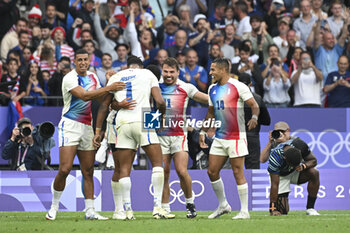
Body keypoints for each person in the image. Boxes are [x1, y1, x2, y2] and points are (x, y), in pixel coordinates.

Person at [45, 49, 126, 221]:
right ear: (75, 61)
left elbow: (100, 99)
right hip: (70, 125)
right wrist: (109, 86)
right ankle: (54, 207)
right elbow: (84, 96)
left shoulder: (93, 77)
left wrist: (113, 95)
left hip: (87, 127)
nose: (82, 62)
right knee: (65, 168)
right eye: (79, 59)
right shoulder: (69, 78)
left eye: (85, 60)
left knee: (88, 170)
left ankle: (90, 210)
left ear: (89, 61)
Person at [106, 56, 174, 220]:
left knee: (124, 168)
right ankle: (158, 208)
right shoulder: (148, 74)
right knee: (158, 163)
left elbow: (108, 104)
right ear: (141, 66)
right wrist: (161, 118)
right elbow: (160, 101)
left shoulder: (116, 76)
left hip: (122, 121)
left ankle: (128, 211)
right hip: (143, 118)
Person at [199, 58, 259, 219]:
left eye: (213, 70)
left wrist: (254, 117)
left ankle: (244, 211)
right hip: (219, 137)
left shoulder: (238, 86)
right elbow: (211, 113)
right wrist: (202, 132)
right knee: (212, 171)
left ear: (222, 70)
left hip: (236, 137)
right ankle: (223, 205)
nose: (210, 73)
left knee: (237, 171)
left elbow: (254, 105)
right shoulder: (211, 88)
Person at [159, 58, 208, 218]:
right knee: (164, 173)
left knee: (181, 170)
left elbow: (205, 98)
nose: (168, 75)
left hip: (179, 136)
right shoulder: (155, 86)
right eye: (165, 71)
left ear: (178, 72)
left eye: (171, 72)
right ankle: (165, 208)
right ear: (162, 70)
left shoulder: (185, 87)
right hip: (159, 137)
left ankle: (190, 203)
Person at [260, 121, 320, 216]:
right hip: (281, 175)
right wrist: (272, 208)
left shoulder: (298, 143)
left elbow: (313, 160)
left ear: (288, 131)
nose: (280, 134)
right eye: (277, 131)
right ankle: (279, 205)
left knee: (314, 173)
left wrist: (303, 166)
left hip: (295, 170)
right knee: (282, 211)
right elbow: (274, 183)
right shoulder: (275, 155)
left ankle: (310, 208)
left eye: (282, 131)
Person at [238, 73, 270, 169]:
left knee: (234, 168)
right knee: (253, 168)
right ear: (250, 84)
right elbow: (267, 121)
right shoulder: (257, 99)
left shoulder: (231, 99)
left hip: (236, 138)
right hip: (252, 137)